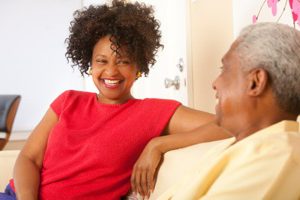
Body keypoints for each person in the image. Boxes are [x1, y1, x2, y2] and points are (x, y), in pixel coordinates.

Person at [0, 1, 229, 200]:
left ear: (138, 66)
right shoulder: (68, 101)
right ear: (89, 65)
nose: (111, 71)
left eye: (123, 61)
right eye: (101, 61)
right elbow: (28, 158)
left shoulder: (153, 111)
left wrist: (158, 145)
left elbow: (229, 124)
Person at [156, 22, 300, 199]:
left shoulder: (277, 156)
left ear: (255, 82)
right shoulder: (243, 144)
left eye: (224, 69)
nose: (215, 83)